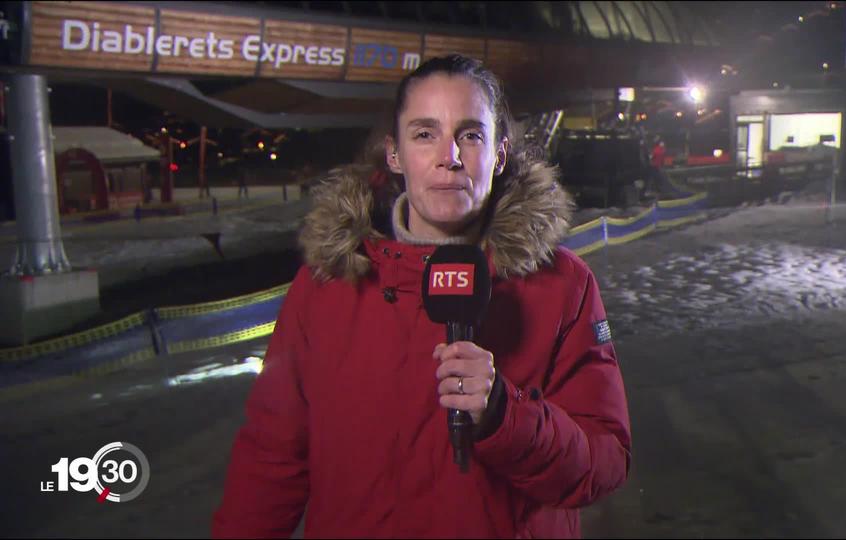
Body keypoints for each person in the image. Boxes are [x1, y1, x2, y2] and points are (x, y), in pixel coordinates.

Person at [212, 55, 631, 539]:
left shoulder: (563, 287)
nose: (448, 155)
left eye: (471, 135)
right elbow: (270, 461)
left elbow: (604, 462)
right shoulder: (327, 285)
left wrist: (505, 416)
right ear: (394, 154)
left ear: (499, 153)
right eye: (425, 133)